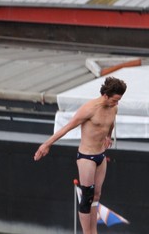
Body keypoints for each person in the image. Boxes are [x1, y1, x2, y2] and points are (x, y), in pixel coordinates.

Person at [34, 76, 127, 234]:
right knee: (87, 196)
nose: (117, 103)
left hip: (101, 156)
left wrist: (108, 136)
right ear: (106, 96)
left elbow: (110, 123)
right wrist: (46, 144)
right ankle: (86, 232)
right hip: (86, 157)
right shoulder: (89, 109)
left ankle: (93, 231)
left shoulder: (114, 108)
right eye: (115, 100)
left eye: (119, 100)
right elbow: (67, 127)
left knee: (96, 196)